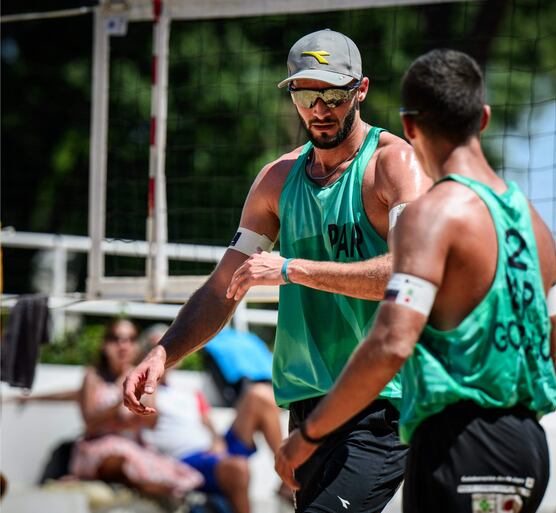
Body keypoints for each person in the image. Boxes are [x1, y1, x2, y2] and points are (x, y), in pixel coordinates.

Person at [123, 29, 429, 512]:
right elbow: (224, 288)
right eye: (307, 94)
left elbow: (409, 275)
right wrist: (163, 353)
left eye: (333, 93)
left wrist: (292, 269)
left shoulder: (393, 165)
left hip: (384, 401)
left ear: (361, 90)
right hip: (309, 406)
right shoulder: (277, 179)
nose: (320, 107)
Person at [275, 49, 556, 513]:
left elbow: (391, 341)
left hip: (460, 441)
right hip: (528, 447)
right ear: (484, 119)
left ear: (409, 126)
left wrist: (309, 435)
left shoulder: (435, 213)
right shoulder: (536, 226)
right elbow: (554, 357)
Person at [139, 325, 283, 513]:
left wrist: (216, 442)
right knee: (237, 468)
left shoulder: (189, 391)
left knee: (260, 396)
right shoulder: (145, 392)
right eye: (157, 345)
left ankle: (289, 472)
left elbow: (208, 424)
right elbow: (149, 419)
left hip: (212, 451)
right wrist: (152, 373)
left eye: (168, 345)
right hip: (184, 460)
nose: (164, 351)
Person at [70, 319, 203, 498]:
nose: (123, 345)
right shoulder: (92, 376)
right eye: (116, 339)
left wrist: (120, 414)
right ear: (105, 344)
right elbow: (90, 422)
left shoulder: (141, 375)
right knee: (120, 460)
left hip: (132, 447)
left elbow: (152, 421)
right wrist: (123, 404)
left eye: (130, 339)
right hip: (99, 448)